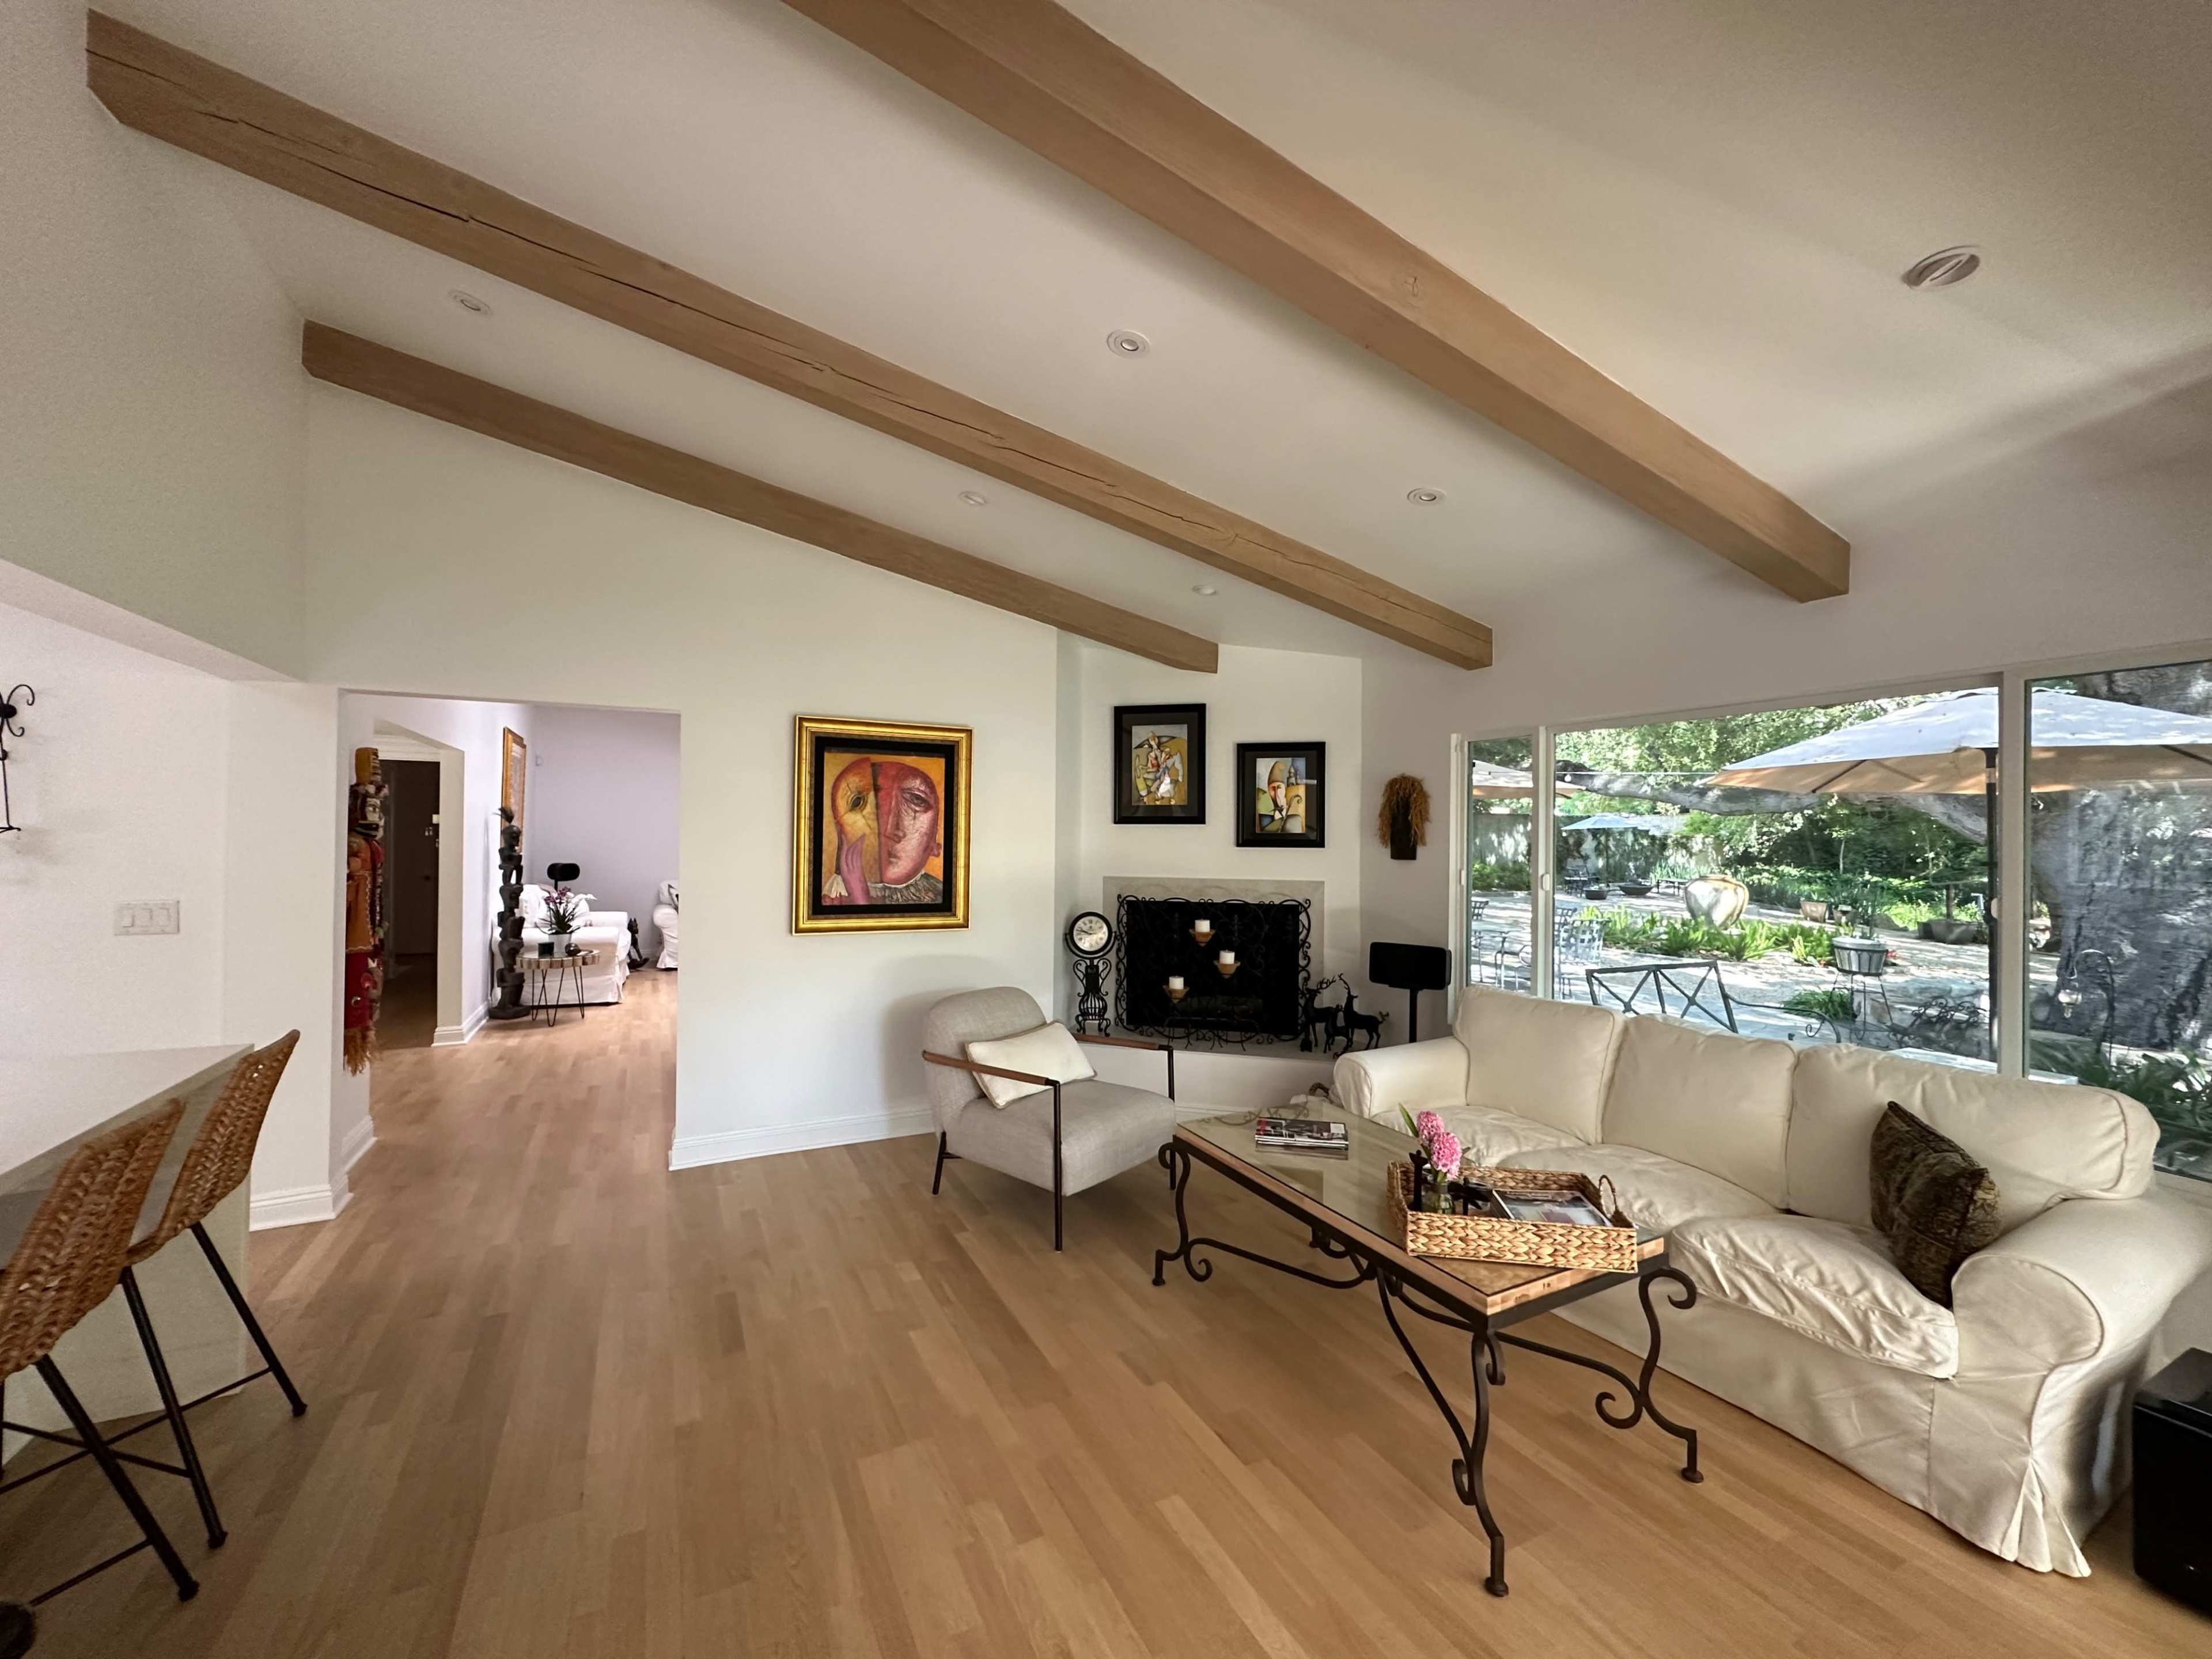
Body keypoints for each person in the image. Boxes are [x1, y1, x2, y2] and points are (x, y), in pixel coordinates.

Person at [1257, 758, 1304, 834]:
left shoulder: (1294, 808)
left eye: (1279, 787)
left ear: (1284, 789)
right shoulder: (1265, 812)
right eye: (1273, 789)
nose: (1277, 793)